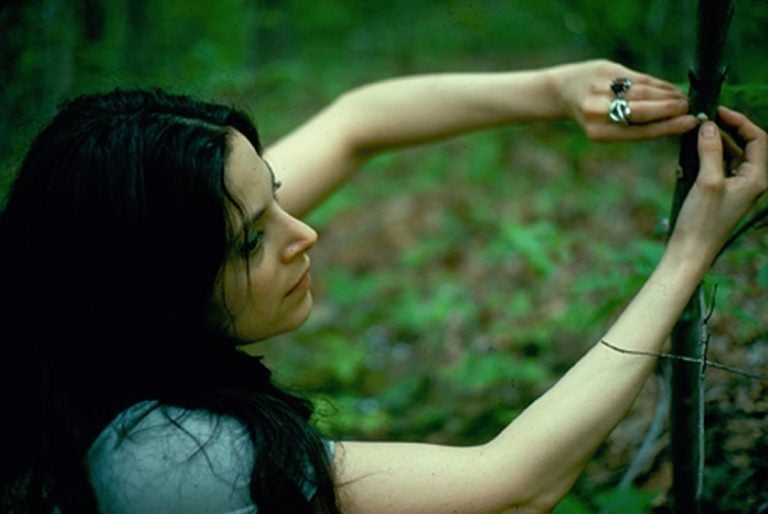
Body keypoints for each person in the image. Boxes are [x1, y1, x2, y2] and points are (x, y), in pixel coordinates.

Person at [0, 59, 764, 514]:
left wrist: (555, 88)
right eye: (254, 242)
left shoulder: (83, 298)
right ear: (150, 296)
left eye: (275, 193)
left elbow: (358, 122)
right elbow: (515, 484)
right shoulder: (159, 461)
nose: (305, 234)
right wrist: (688, 252)